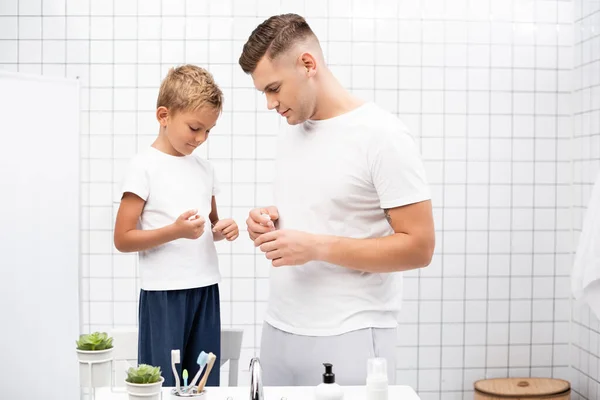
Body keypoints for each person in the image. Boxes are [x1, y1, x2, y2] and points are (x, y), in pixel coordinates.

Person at [238, 14, 435, 386]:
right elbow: (318, 213)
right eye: (264, 92)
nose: (269, 104)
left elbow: (419, 248)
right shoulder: (292, 130)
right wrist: (266, 223)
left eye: (274, 88)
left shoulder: (382, 135)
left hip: (349, 334)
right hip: (279, 329)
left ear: (308, 64)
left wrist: (315, 247)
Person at [113, 64, 239, 387]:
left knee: (203, 382)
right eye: (195, 128)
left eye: (208, 131)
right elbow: (123, 238)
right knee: (163, 383)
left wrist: (221, 229)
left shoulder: (204, 169)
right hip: (163, 293)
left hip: (206, 289)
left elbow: (209, 226)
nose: (200, 139)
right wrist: (175, 231)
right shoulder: (143, 167)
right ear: (163, 115)